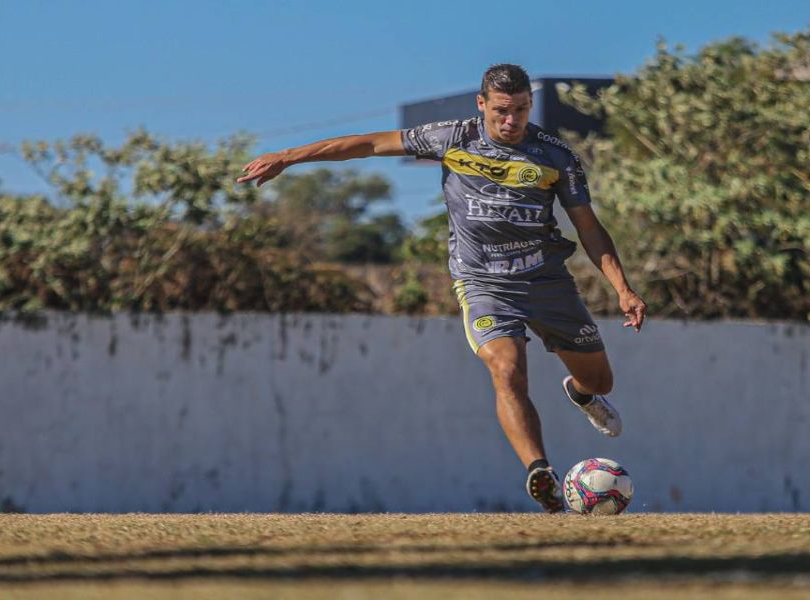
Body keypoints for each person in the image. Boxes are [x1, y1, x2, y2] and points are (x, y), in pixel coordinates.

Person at [238, 64, 647, 513]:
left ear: (531, 104)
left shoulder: (556, 155)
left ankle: (582, 393)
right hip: (483, 282)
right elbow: (369, 144)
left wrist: (623, 289)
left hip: (546, 280)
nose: (511, 120)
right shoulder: (452, 137)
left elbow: (588, 227)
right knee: (507, 370)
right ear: (481, 104)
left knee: (600, 379)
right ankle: (540, 472)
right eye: (502, 110)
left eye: (521, 109)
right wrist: (288, 156)